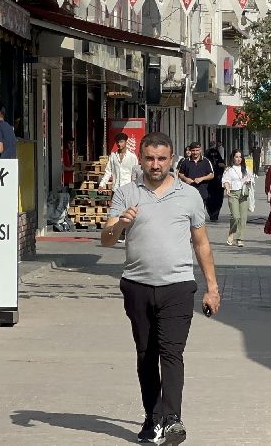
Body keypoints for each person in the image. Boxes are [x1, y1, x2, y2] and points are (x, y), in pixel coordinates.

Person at [100, 132, 221, 445]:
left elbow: (201, 244)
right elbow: (107, 239)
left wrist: (212, 287)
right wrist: (120, 224)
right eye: (150, 158)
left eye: (162, 159)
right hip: (137, 286)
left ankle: (172, 420)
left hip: (178, 287)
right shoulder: (126, 193)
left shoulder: (189, 196)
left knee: (171, 352)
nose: (156, 164)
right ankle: (152, 418)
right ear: (141, 159)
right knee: (146, 354)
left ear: (172, 160)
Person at [222, 149, 254, 247]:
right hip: (233, 193)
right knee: (235, 216)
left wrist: (248, 181)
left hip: (243, 193)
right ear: (233, 158)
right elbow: (225, 180)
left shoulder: (245, 168)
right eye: (236, 157)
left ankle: (240, 238)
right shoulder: (229, 169)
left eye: (240, 157)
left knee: (243, 217)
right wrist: (227, 188)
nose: (239, 159)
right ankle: (231, 232)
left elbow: (251, 179)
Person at [204, 147, 226, 222]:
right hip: (209, 184)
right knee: (209, 200)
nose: (213, 156)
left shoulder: (220, 161)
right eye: (211, 154)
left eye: (215, 154)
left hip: (218, 184)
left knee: (218, 199)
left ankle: (215, 214)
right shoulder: (205, 162)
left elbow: (225, 170)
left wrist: (223, 166)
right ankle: (211, 214)